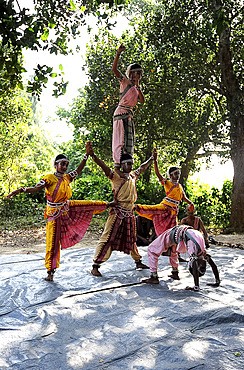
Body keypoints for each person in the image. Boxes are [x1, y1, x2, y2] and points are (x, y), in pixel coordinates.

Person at [7, 153, 108, 281]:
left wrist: (86, 156)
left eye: (66, 164)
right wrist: (21, 190)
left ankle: (107, 205)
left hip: (66, 209)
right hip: (54, 214)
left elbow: (78, 170)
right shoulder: (49, 178)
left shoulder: (66, 178)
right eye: (62, 164)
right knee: (53, 243)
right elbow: (37, 188)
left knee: (86, 205)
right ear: (56, 165)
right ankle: (50, 271)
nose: (65, 167)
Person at [86, 141, 156, 277]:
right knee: (108, 238)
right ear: (122, 164)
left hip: (129, 213)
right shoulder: (115, 176)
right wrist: (93, 156)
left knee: (131, 238)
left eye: (131, 164)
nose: (130, 166)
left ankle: (138, 261)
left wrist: (152, 159)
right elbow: (104, 166)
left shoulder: (132, 176)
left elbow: (142, 167)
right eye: (128, 164)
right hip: (117, 213)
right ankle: (95, 265)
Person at [135, 148, 194, 236]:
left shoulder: (180, 186)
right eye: (175, 173)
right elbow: (158, 174)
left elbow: (184, 198)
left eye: (178, 173)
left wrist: (190, 203)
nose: (177, 175)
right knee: (151, 209)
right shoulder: (168, 183)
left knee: (173, 232)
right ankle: (135, 207)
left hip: (173, 212)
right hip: (165, 207)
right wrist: (155, 161)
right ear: (170, 175)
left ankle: (170, 248)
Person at [142, 225, 220, 291]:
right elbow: (197, 266)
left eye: (202, 268)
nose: (204, 265)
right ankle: (155, 276)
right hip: (175, 234)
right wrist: (196, 287)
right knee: (152, 249)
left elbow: (213, 265)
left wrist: (217, 281)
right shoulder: (196, 251)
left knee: (173, 250)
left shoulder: (203, 254)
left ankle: (160, 275)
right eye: (203, 268)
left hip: (181, 235)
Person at [112, 43, 145, 170]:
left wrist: (139, 88)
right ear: (131, 73)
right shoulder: (125, 81)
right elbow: (115, 70)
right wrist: (118, 53)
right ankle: (116, 167)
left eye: (140, 73)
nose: (138, 75)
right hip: (121, 113)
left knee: (129, 142)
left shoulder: (136, 88)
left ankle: (127, 167)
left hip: (129, 115)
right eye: (137, 72)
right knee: (120, 140)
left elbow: (142, 101)